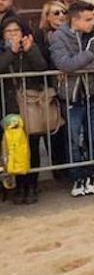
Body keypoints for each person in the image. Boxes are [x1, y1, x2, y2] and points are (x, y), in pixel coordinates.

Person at [49, 0, 94, 197]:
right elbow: (64, 64)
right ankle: (77, 178)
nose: (93, 22)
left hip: (92, 94)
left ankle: (92, 176)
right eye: (88, 19)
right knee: (73, 139)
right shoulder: (59, 37)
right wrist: (87, 55)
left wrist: (78, 64)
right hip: (71, 97)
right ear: (75, 19)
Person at [0, 17, 49, 204]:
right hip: (9, 104)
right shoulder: (3, 50)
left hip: (30, 103)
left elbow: (42, 67)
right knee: (14, 146)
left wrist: (31, 51)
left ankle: (32, 184)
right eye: (8, 32)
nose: (13, 35)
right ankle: (19, 185)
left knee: (32, 145)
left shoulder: (32, 46)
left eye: (16, 31)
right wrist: (12, 52)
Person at [33, 0, 70, 178]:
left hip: (68, 87)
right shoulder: (40, 36)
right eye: (56, 13)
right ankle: (58, 168)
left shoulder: (71, 33)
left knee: (64, 130)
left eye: (63, 12)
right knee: (52, 127)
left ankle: (65, 168)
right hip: (47, 88)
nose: (61, 16)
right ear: (46, 17)